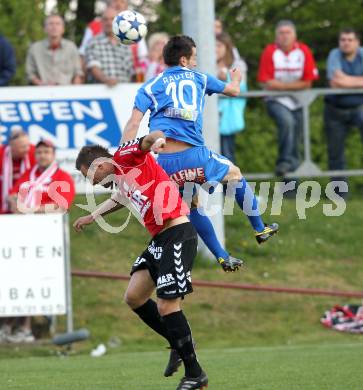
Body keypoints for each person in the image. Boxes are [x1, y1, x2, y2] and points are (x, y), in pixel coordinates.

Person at [73, 132, 219, 389]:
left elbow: (149, 139)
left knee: (166, 305)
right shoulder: (122, 177)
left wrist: (158, 142)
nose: (93, 183)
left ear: (100, 164)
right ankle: (177, 341)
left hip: (178, 234)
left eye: (90, 176)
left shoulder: (124, 156)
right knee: (134, 296)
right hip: (160, 240)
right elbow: (121, 197)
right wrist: (92, 216)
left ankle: (195, 374)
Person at [121, 35, 278, 269]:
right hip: (194, 155)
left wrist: (124, 161)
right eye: (194, 58)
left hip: (165, 164)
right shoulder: (199, 78)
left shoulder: (151, 86)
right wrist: (235, 78)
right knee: (234, 175)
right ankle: (259, 227)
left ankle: (222, 256)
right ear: (184, 60)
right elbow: (234, 91)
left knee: (192, 205)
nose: (195, 63)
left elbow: (133, 124)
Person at [258, 20, 319, 176]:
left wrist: (282, 86)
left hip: (298, 101)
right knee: (287, 122)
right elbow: (267, 82)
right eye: (281, 33)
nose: (284, 36)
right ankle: (283, 161)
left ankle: (291, 185)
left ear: (294, 35)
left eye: (288, 33)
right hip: (275, 100)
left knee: (296, 139)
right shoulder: (270, 51)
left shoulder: (303, 51)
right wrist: (293, 86)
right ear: (276, 36)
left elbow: (308, 83)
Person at [324, 28, 363, 195]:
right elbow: (335, 82)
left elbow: (341, 80)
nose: (345, 43)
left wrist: (345, 81)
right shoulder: (334, 54)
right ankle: (339, 194)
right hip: (335, 110)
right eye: (343, 40)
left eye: (349, 39)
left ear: (357, 42)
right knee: (335, 153)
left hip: (359, 107)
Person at [79, 0, 148, 79]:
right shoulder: (93, 26)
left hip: (129, 81)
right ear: (108, 3)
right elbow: (83, 56)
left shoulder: (136, 27)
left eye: (122, 2)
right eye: (115, 1)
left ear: (126, 6)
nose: (118, 4)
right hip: (99, 82)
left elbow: (143, 58)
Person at [8, 139, 75, 214]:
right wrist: (15, 205)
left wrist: (31, 210)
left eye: (46, 152)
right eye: (39, 153)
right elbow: (12, 194)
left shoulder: (63, 177)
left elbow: (61, 206)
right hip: (24, 219)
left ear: (53, 155)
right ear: (35, 155)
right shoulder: (28, 173)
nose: (42, 156)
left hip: (51, 221)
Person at [25, 14, 83, 85]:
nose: (54, 27)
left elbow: (78, 73)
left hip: (66, 91)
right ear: (44, 29)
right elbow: (30, 74)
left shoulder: (71, 47)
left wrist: (74, 91)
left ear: (63, 29)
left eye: (58, 24)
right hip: (41, 91)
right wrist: (41, 85)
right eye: (50, 24)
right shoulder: (34, 48)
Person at [216, 32, 247, 163]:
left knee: (227, 154)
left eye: (218, 45)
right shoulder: (200, 64)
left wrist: (227, 79)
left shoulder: (236, 66)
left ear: (227, 47)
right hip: (207, 116)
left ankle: (229, 184)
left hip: (225, 118)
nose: (214, 49)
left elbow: (242, 88)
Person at [85, 7, 134, 86]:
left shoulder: (126, 44)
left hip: (124, 92)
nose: (109, 22)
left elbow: (130, 71)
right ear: (101, 22)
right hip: (102, 91)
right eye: (105, 19)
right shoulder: (93, 42)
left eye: (112, 19)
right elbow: (93, 66)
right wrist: (106, 80)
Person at [0, 129, 36, 214]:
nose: (27, 149)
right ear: (11, 146)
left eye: (28, 145)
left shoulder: (34, 152)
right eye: (22, 147)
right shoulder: (1, 154)